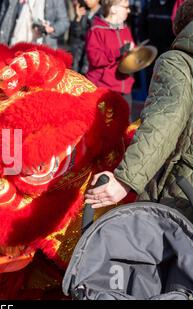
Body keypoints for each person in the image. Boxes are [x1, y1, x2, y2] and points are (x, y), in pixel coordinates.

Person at [85, 0, 193, 223]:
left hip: (181, 192)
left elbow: (165, 120)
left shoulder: (179, 62)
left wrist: (125, 180)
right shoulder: (97, 29)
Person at [85, 0, 135, 107]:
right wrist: (118, 52)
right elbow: (95, 59)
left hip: (124, 86)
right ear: (113, 9)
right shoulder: (96, 30)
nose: (129, 10)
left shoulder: (125, 29)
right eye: (125, 7)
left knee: (126, 122)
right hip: (104, 87)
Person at [0, 0, 69, 48]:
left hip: (41, 45)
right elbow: (2, 22)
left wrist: (50, 28)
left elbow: (64, 21)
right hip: (16, 42)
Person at [69, 0, 102, 74]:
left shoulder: (103, 14)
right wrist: (78, 18)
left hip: (90, 59)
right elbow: (75, 35)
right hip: (79, 56)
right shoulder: (84, 11)